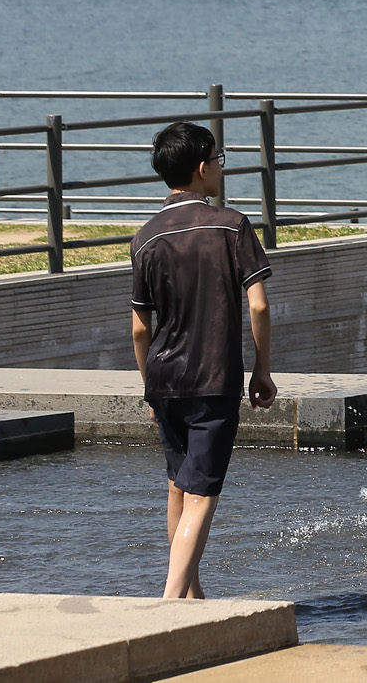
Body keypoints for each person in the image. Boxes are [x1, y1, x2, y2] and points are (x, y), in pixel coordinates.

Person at [129, 122, 278, 599]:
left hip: (163, 377)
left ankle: (192, 597)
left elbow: (139, 328)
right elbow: (258, 304)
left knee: (178, 485)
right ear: (201, 168)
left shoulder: (145, 238)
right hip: (212, 379)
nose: (219, 167)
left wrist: (148, 387)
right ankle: (169, 605)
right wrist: (262, 369)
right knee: (201, 496)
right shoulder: (232, 226)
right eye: (218, 159)